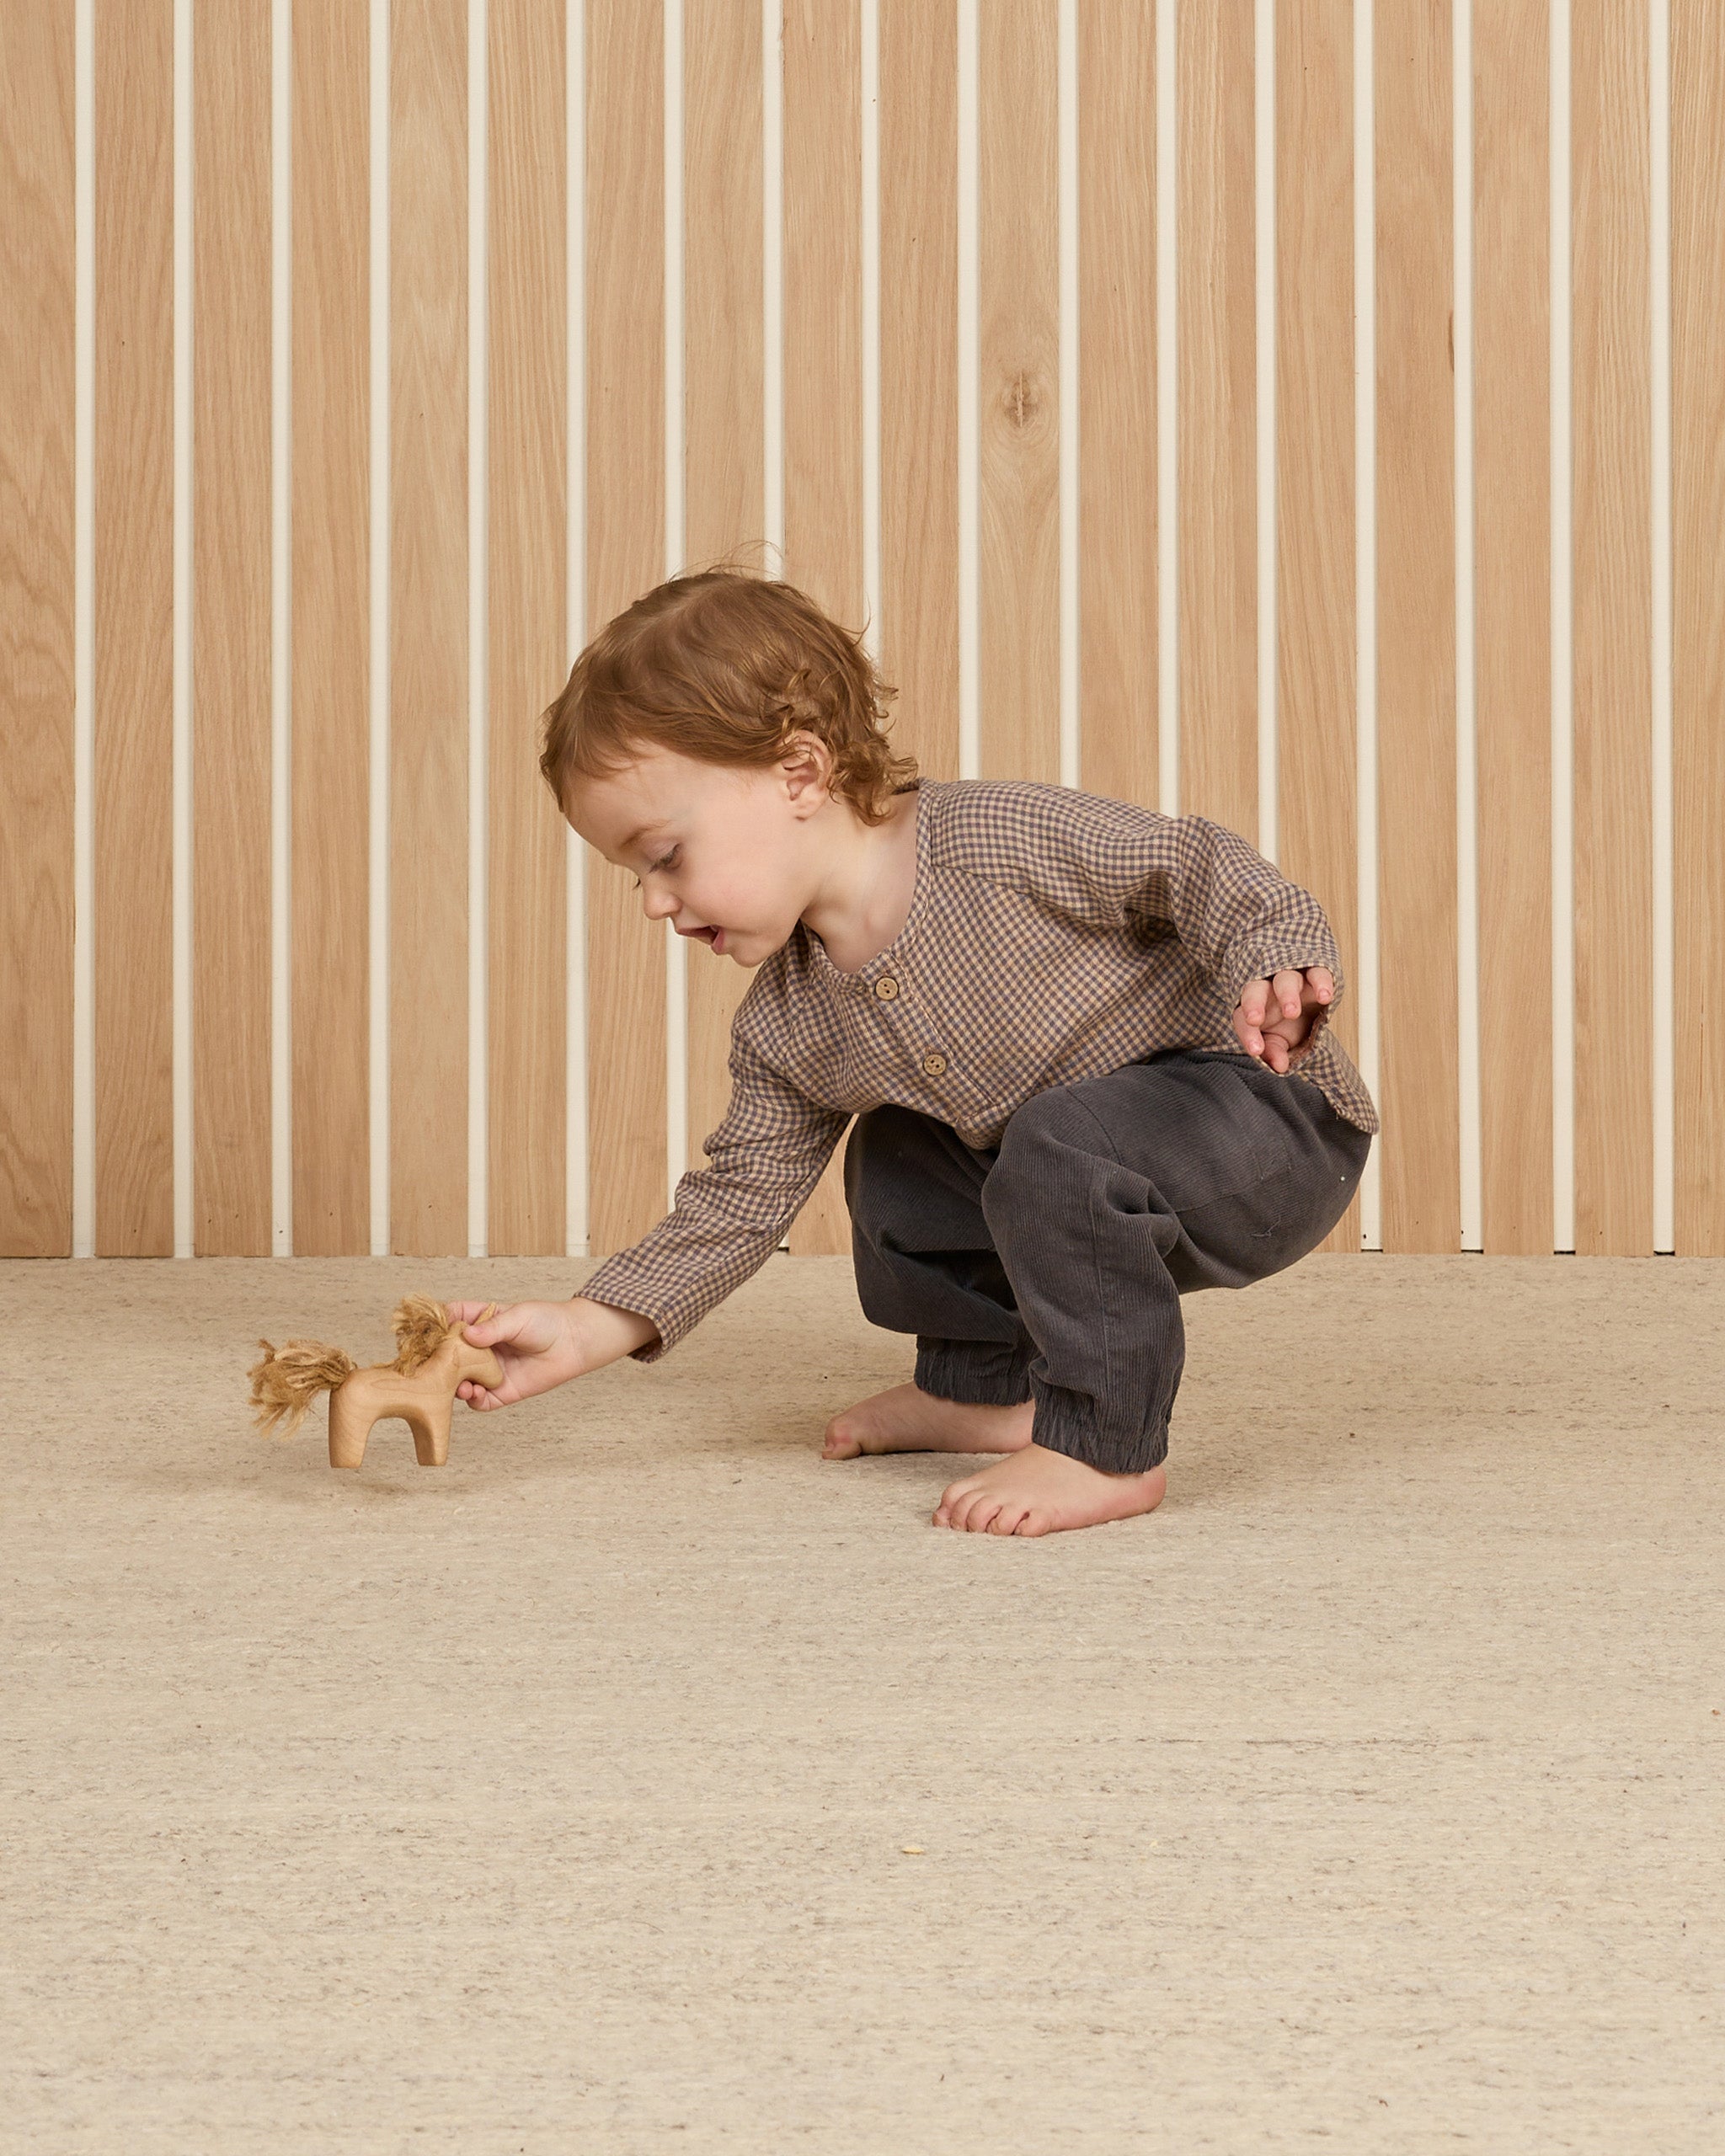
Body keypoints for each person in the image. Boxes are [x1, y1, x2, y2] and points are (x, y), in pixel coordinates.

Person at [447, 562, 1377, 1538]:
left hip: (1259, 1117)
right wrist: (587, 1323)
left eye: (666, 856)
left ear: (798, 773)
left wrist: (1273, 954)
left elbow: (1190, 865)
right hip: (1083, 1159)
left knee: (1057, 1141)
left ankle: (1105, 1444)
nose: (654, 902)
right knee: (897, 1153)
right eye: (633, 875)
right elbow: (740, 1196)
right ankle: (984, 1390)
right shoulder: (790, 1023)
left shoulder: (998, 840)